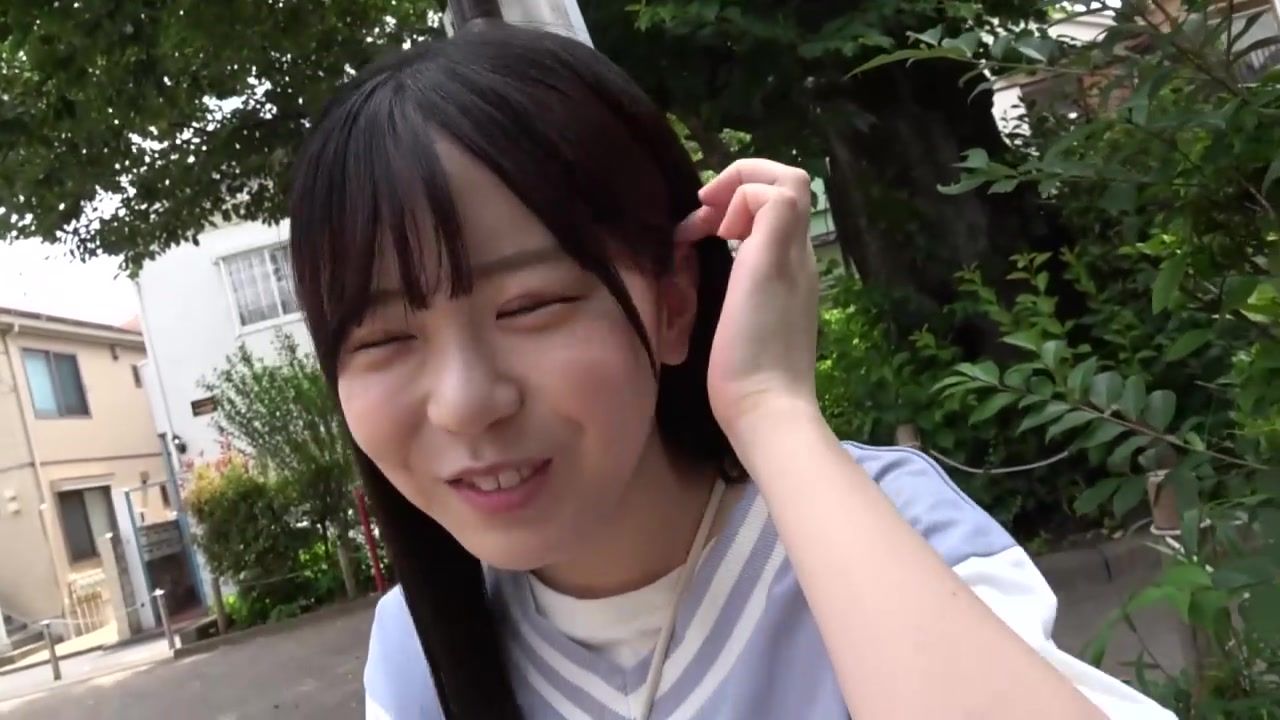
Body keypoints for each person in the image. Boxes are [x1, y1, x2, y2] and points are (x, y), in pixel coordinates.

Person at [288, 23, 1176, 720]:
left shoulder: (881, 533)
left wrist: (771, 408)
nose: (465, 403)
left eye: (529, 306)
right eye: (384, 341)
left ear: (673, 303)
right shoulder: (419, 654)